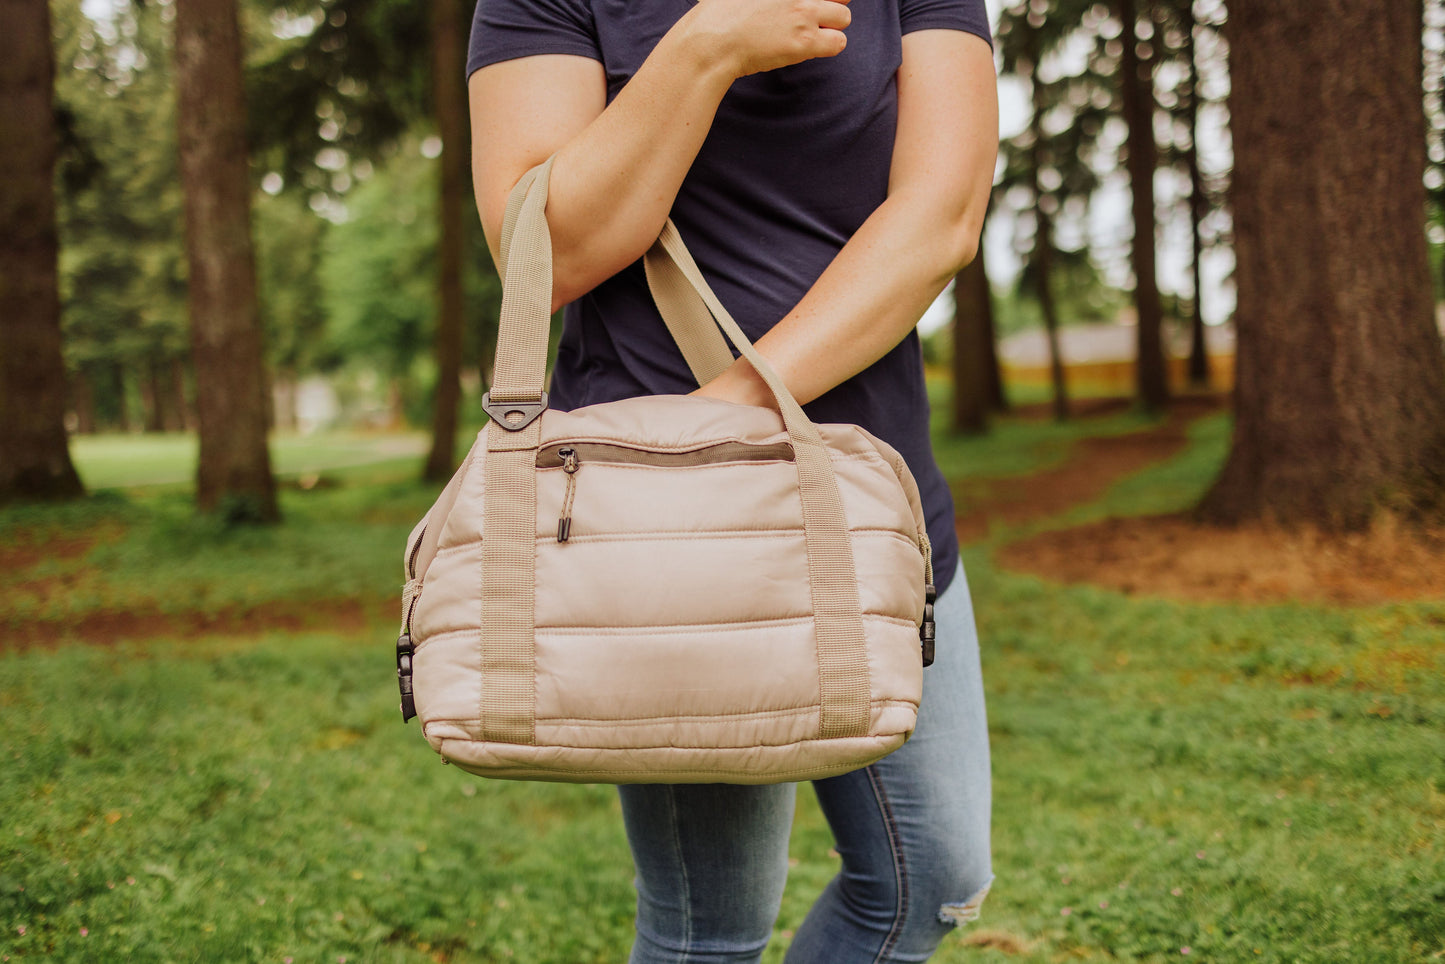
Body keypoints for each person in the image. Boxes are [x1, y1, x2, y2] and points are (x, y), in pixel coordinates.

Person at [465, 0, 998, 960]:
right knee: (710, 929)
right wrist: (705, 46)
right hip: (670, 527)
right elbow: (547, 253)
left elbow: (942, 217)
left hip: (875, 505)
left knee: (932, 882)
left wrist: (740, 406)